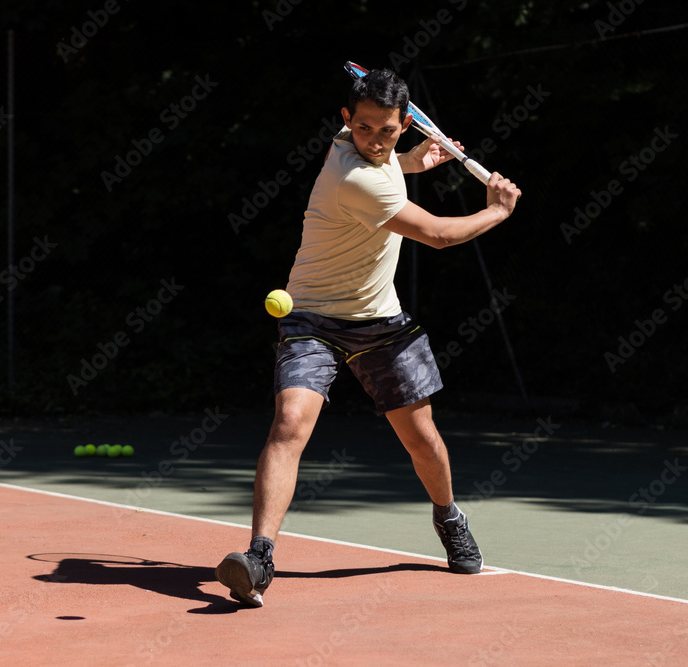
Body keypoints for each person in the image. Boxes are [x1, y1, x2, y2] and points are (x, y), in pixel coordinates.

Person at [215, 68, 521, 607]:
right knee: (289, 423)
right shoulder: (355, 176)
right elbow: (437, 234)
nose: (374, 140)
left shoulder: (379, 159)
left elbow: (387, 166)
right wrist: (496, 210)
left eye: (386, 130)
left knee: (420, 437)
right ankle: (259, 557)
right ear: (345, 123)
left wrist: (412, 163)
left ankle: (448, 517)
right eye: (363, 129)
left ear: (404, 125)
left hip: (381, 322)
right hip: (311, 318)